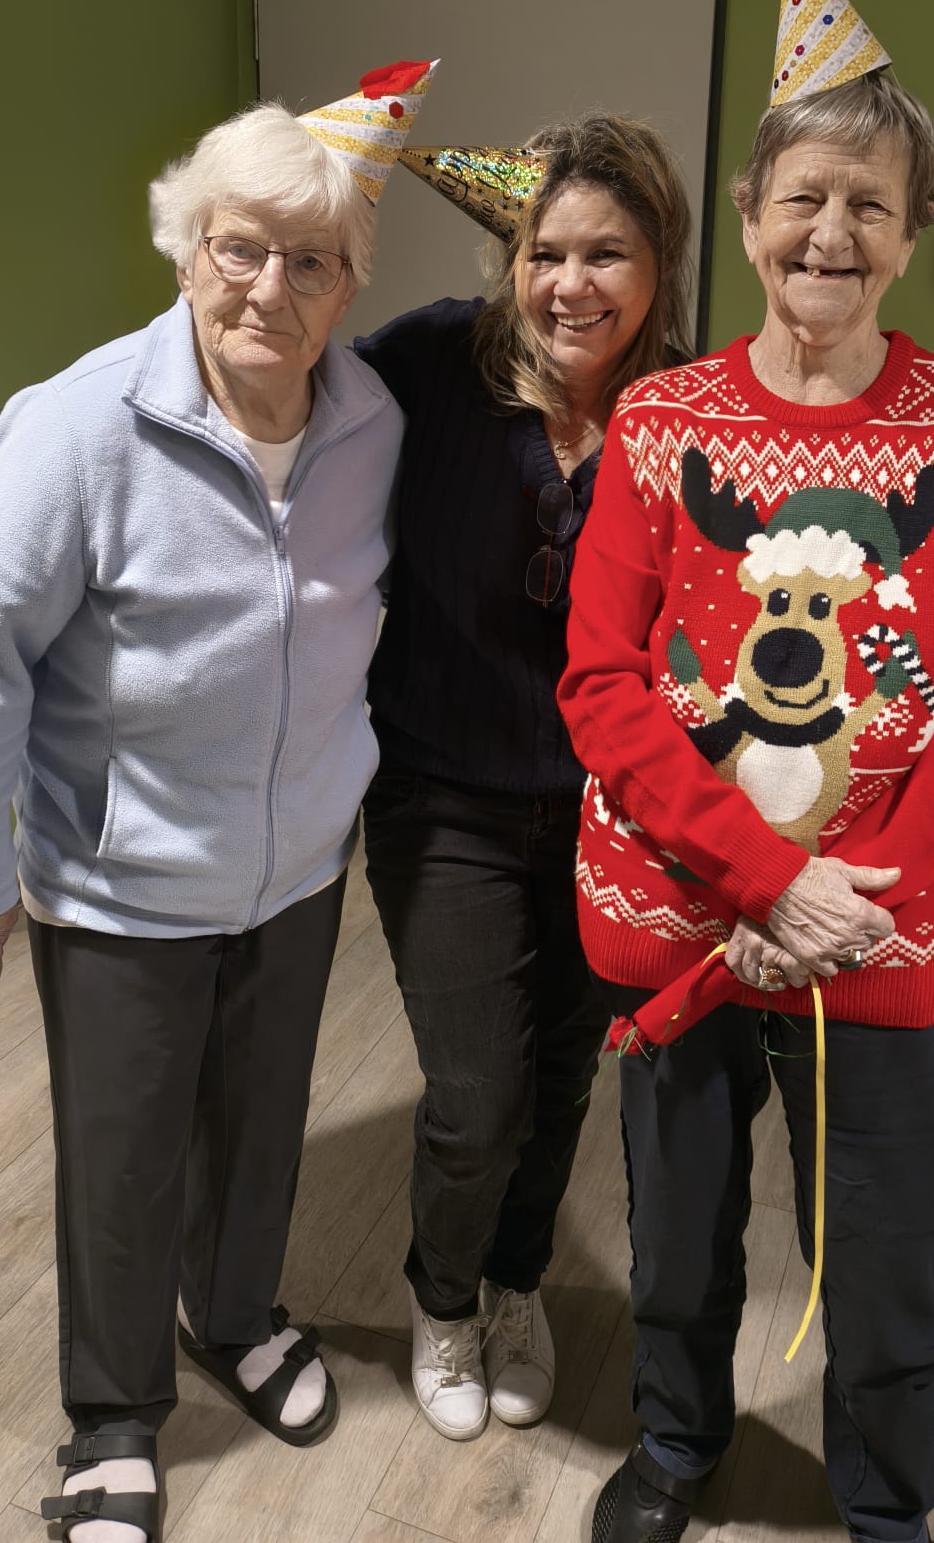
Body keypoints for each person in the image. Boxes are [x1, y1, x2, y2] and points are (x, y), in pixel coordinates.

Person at [558, 0, 934, 1543]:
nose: (831, 233)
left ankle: (887, 1506)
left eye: (870, 205)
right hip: (683, 913)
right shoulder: (660, 422)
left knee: (892, 1255)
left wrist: (856, 891)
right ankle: (677, 1447)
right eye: (803, 200)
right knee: (679, 1228)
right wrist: (768, 878)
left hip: (885, 930)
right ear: (753, 216)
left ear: (913, 232)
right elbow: (603, 685)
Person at [0, 66, 435, 1543]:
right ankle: (111, 1418)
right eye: (239, 246)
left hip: (295, 869)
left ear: (349, 287)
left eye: (310, 261)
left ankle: (235, 1313)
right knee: (125, 1159)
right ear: (185, 248)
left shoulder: (373, 425)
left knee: (260, 1129)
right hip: (119, 885)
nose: (269, 287)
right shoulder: (81, 430)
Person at [354, 116, 696, 1440]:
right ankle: (442, 1298)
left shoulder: (689, 416)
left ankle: (513, 1285)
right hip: (443, 794)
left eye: (606, 253)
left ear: (660, 261)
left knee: (559, 1081)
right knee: (476, 1097)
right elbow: (276, 403)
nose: (570, 284)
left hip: (614, 813)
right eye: (545, 252)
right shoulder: (431, 365)